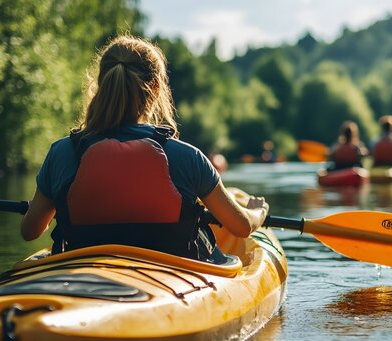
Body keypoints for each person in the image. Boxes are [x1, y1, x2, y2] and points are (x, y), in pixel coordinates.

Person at [20, 35, 269, 263]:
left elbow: (30, 231)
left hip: (84, 268)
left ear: (101, 83)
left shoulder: (62, 152)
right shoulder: (187, 157)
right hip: (173, 278)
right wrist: (258, 212)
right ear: (157, 89)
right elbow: (241, 227)